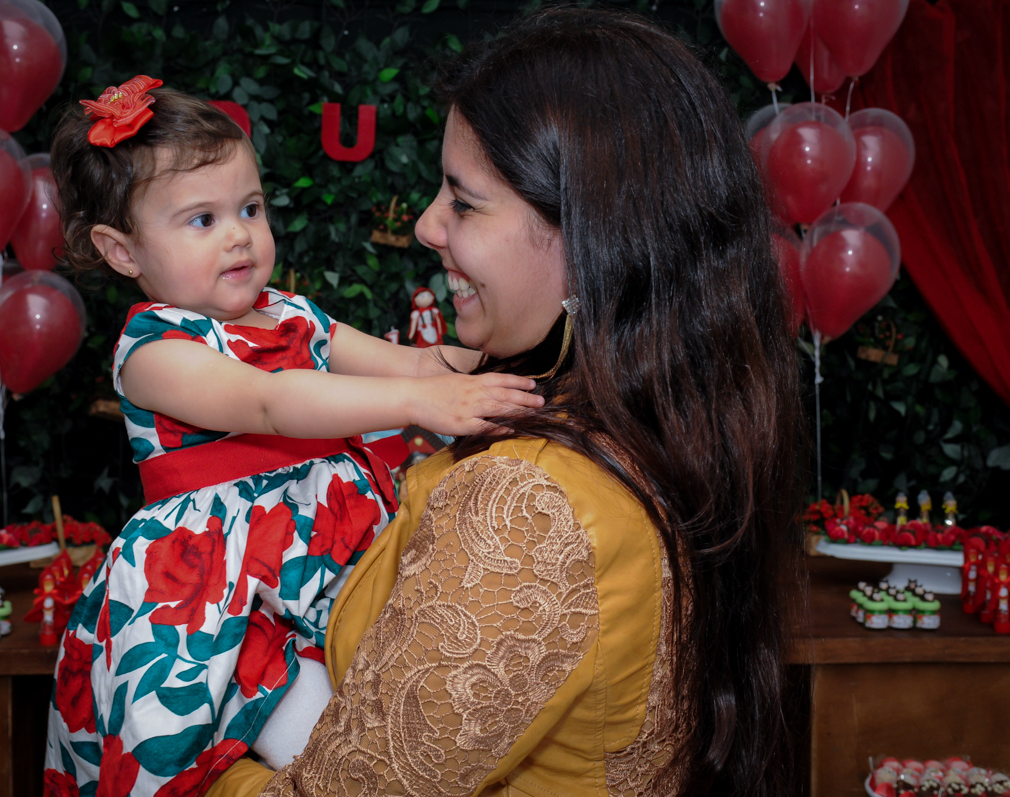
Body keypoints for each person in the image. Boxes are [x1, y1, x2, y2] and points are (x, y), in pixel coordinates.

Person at [208, 7, 803, 797]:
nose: (425, 226)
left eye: (464, 200)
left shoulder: (529, 505)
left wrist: (185, 762)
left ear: (596, 237)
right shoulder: (660, 431)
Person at [42, 79, 542, 796]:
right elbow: (270, 401)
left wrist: (538, 367)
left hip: (327, 565)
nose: (240, 233)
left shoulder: (291, 314)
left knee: (411, 717)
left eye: (249, 208)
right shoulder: (152, 350)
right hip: (226, 603)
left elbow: (415, 360)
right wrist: (426, 400)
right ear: (122, 252)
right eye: (201, 220)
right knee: (341, 753)